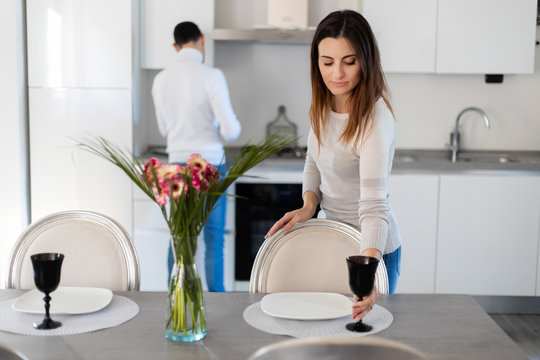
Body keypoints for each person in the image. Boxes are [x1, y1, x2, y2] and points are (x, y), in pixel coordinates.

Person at [265, 10, 402, 321]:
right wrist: (308, 205)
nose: (337, 73)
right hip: (333, 237)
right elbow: (314, 160)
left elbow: (374, 208)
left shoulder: (375, 120)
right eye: (327, 62)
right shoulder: (324, 103)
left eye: (349, 62)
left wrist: (367, 273)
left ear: (366, 59)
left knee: (365, 339)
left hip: (371, 248)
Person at [152, 21, 241, 292]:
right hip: (211, 164)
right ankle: (217, 302)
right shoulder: (212, 76)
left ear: (174, 46)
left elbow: (164, 129)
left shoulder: (161, 79)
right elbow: (231, 131)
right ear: (202, 40)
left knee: (180, 237)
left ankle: (177, 301)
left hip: (177, 167)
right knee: (214, 238)